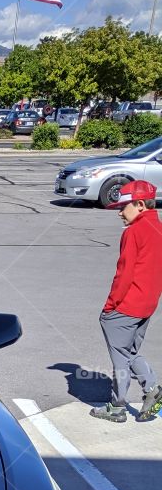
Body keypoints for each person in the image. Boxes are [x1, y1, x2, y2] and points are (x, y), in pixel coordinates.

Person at [91, 179, 162, 423]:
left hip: (127, 304)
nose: (119, 212)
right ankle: (150, 390)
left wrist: (110, 306)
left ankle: (119, 405)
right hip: (148, 303)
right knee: (130, 351)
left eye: (124, 207)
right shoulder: (158, 227)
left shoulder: (133, 232)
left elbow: (124, 274)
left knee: (121, 355)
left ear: (140, 204)